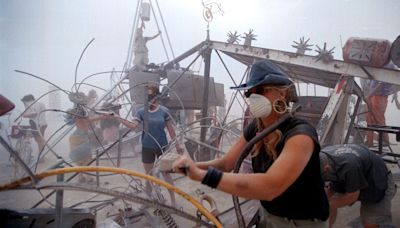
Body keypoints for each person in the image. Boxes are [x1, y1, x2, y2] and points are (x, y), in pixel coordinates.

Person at [172, 60, 329, 227]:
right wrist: (191, 167)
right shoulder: (256, 127)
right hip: (268, 214)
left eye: (260, 90)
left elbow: (270, 186)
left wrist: (203, 176)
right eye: (249, 93)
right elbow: (226, 163)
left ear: (281, 94)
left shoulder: (301, 135)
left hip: (302, 222)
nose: (253, 97)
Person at [112, 85, 183, 206]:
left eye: (151, 96)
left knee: (167, 174)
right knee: (149, 176)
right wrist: (117, 117)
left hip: (162, 147)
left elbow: (171, 130)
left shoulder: (164, 111)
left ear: (156, 97)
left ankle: (173, 200)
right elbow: (133, 126)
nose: (149, 99)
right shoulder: (141, 111)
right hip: (147, 147)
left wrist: (177, 146)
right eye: (147, 97)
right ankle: (148, 200)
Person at [320, 144, 397, 228]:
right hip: (353, 174)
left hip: (376, 181)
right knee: (328, 203)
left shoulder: (349, 165)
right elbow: (329, 190)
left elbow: (352, 196)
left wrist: (323, 205)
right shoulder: (322, 156)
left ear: (327, 168)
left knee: (370, 223)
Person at [66, 104, 107, 183]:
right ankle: (88, 177)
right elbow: (90, 120)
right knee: (88, 159)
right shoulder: (82, 119)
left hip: (74, 137)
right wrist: (103, 116)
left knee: (80, 160)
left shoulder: (76, 118)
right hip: (81, 137)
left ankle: (80, 177)